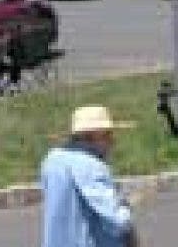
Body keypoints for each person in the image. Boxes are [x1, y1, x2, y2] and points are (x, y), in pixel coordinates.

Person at [41, 105, 137, 247]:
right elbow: (117, 221)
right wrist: (126, 206)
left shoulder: (52, 160)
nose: (113, 141)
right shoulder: (91, 165)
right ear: (90, 136)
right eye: (107, 135)